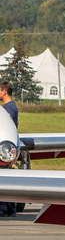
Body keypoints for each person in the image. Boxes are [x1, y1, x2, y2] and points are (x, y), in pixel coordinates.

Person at [1, 81, 19, 217]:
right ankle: (10, 208)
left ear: (4, 92)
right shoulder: (9, 107)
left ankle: (5, 208)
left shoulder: (8, 109)